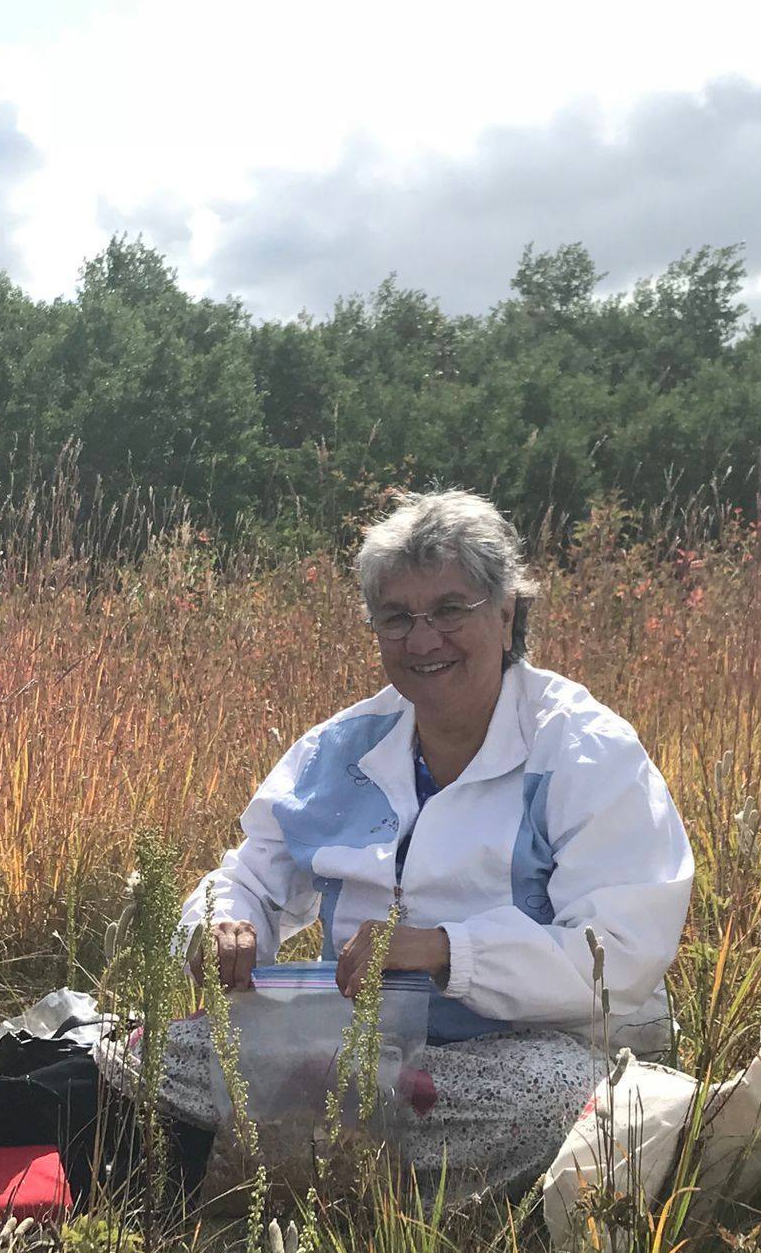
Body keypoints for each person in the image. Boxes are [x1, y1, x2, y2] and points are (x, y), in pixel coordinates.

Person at [100, 488, 694, 1199]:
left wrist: (444, 950)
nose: (422, 640)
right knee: (144, 1055)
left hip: (541, 1052)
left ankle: (290, 1157)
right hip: (363, 1049)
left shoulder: (584, 749)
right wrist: (224, 926)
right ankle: (363, 1162)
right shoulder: (338, 750)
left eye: (450, 610)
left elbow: (620, 953)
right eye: (396, 618)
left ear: (505, 614)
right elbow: (249, 875)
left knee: (560, 1102)